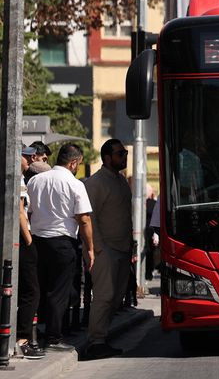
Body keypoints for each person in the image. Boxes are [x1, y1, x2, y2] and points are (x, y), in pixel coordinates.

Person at [27, 144, 94, 350]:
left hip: (36, 241)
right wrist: (90, 248)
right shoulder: (75, 184)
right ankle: (54, 338)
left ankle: (32, 333)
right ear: (73, 162)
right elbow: (84, 219)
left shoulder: (35, 180)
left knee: (38, 289)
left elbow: (28, 212)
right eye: (78, 164)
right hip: (62, 243)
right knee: (59, 292)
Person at [81, 139, 133, 359]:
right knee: (104, 295)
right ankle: (96, 342)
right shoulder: (95, 182)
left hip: (122, 249)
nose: (124, 157)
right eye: (120, 154)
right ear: (107, 157)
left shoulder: (121, 181)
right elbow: (88, 217)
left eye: (125, 153)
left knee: (117, 296)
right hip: (105, 249)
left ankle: (101, 337)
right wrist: (97, 247)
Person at [17, 146, 46, 360]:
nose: (31, 160)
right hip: (22, 241)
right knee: (31, 291)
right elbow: (20, 213)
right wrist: (29, 241)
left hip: (20, 240)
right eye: (27, 156)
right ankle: (22, 339)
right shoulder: (17, 180)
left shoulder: (21, 179)